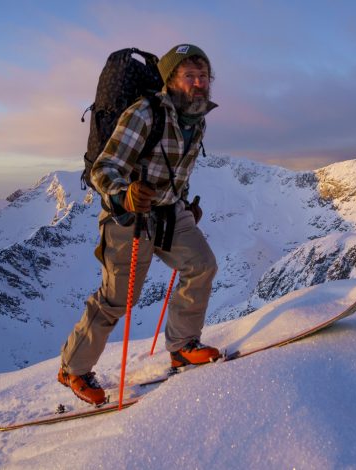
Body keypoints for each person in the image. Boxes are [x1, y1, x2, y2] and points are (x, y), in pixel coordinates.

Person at [58, 44, 220, 405]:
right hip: (129, 213)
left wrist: (182, 203)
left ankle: (182, 346)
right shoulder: (145, 114)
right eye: (189, 76)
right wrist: (124, 196)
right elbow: (103, 169)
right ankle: (73, 368)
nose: (198, 83)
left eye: (203, 76)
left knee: (201, 265)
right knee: (117, 299)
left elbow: (177, 167)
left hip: (168, 211)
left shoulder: (198, 119)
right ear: (171, 80)